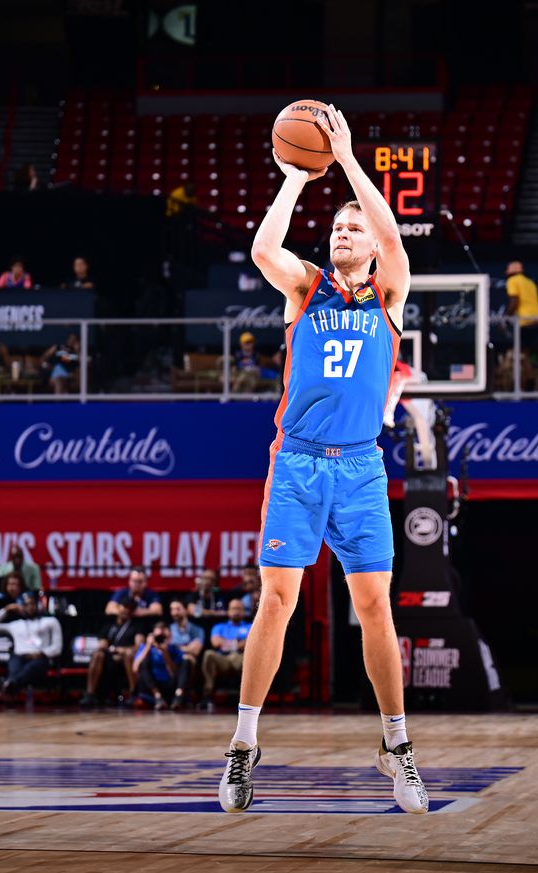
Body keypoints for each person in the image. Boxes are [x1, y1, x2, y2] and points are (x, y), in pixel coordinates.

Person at [222, 104, 428, 816]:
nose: (343, 231)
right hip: (299, 464)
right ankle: (244, 745)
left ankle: (396, 747)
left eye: (354, 227)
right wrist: (292, 178)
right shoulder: (304, 286)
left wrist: (345, 161)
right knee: (276, 601)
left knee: (375, 607)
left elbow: (395, 238)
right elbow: (261, 249)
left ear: (371, 244)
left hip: (361, 467)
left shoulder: (390, 292)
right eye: (336, 226)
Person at [0, 591, 62, 697]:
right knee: (15, 665)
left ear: (38, 604)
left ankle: (8, 683)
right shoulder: (15, 625)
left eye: (32, 603)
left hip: (40, 657)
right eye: (25, 604)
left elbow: (57, 647)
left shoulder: (51, 621)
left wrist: (41, 654)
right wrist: (5, 610)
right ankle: (11, 684)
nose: (29, 607)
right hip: (19, 656)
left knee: (31, 667)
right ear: (20, 606)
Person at [79, 599, 138, 708]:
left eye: (129, 608)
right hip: (109, 656)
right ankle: (90, 694)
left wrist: (121, 651)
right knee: (98, 654)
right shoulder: (109, 626)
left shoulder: (136, 627)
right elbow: (102, 644)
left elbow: (138, 645)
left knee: (128, 654)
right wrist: (113, 650)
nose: (126, 610)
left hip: (126, 657)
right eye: (124, 606)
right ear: (118, 608)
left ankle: (133, 693)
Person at [202, 599, 251, 702]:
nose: (236, 611)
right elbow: (216, 643)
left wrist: (226, 643)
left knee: (251, 659)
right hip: (223, 659)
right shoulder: (219, 627)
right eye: (233, 609)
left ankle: (248, 698)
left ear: (243, 612)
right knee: (208, 654)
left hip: (241, 658)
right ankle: (208, 692)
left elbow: (250, 643)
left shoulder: (250, 627)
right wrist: (238, 643)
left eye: (239, 609)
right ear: (228, 611)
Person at [133, 621, 188, 711]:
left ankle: (178, 697)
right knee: (144, 662)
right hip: (152, 686)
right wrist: (148, 646)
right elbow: (135, 669)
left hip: (168, 684)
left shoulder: (173, 649)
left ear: (170, 636)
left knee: (186, 662)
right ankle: (158, 697)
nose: (161, 639)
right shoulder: (146, 648)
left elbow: (174, 673)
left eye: (164, 637)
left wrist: (165, 653)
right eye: (159, 637)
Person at [105, 566, 163, 633]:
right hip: (124, 629)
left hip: (144, 628)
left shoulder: (151, 594)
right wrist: (126, 612)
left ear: (146, 582)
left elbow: (158, 610)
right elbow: (109, 609)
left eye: (140, 581)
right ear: (129, 581)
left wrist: (140, 612)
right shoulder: (121, 593)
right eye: (134, 581)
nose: (137, 584)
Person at [504, 260, 538, 354]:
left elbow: (514, 302)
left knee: (520, 351)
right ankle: (526, 368)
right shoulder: (530, 282)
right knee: (525, 350)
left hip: (526, 321)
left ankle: (522, 368)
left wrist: (506, 317)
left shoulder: (512, 280)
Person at [168, 599, 205, 692]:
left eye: (177, 609)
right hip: (170, 662)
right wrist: (187, 648)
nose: (174, 612)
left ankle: (181, 694)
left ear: (185, 610)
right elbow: (166, 648)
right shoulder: (168, 629)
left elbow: (196, 650)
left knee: (187, 660)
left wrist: (176, 647)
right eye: (172, 609)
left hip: (189, 664)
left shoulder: (197, 629)